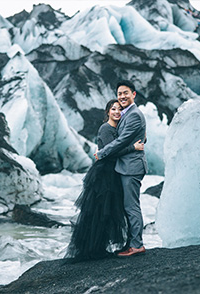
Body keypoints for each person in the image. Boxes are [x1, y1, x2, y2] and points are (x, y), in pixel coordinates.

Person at [65, 99, 144, 262]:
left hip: (113, 171)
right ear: (107, 112)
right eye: (113, 109)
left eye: (120, 109)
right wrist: (133, 148)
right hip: (105, 173)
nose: (116, 112)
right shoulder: (106, 128)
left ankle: (101, 247)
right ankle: (95, 249)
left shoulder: (118, 129)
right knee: (101, 211)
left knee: (109, 212)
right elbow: (110, 152)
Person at [95, 80, 148, 257]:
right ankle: (131, 243)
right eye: (119, 94)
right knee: (128, 207)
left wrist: (102, 153)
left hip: (131, 167)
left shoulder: (133, 114)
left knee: (131, 207)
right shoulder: (128, 114)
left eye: (125, 93)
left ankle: (137, 245)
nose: (122, 96)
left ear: (133, 94)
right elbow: (137, 136)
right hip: (126, 166)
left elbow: (121, 140)